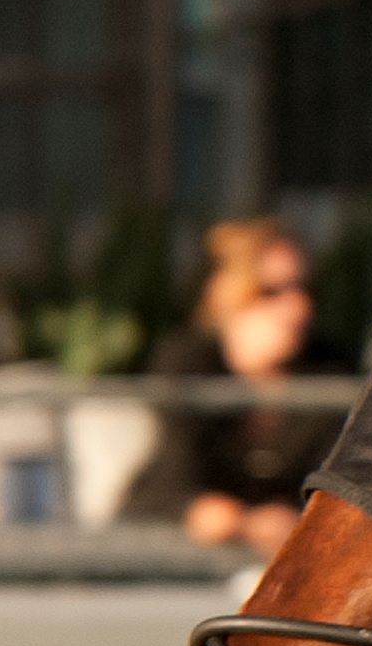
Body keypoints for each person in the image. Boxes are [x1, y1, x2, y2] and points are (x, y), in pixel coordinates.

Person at [120, 217, 340, 553]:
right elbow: (172, 481)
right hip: (180, 567)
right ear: (229, 293)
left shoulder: (329, 373)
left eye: (306, 288)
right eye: (271, 292)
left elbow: (337, 485)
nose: (298, 308)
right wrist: (212, 514)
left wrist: (291, 518)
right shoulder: (187, 365)